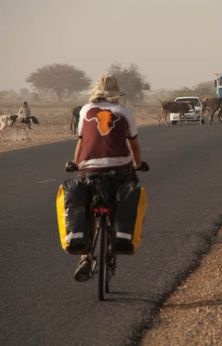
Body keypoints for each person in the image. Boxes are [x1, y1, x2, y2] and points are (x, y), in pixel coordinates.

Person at [72, 74, 146, 282]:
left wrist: (77, 165)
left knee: (88, 209)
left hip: (89, 169)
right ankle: (119, 235)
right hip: (120, 169)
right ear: (116, 93)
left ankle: (85, 258)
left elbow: (81, 142)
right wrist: (138, 165)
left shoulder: (86, 110)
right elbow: (134, 145)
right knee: (124, 197)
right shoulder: (123, 112)